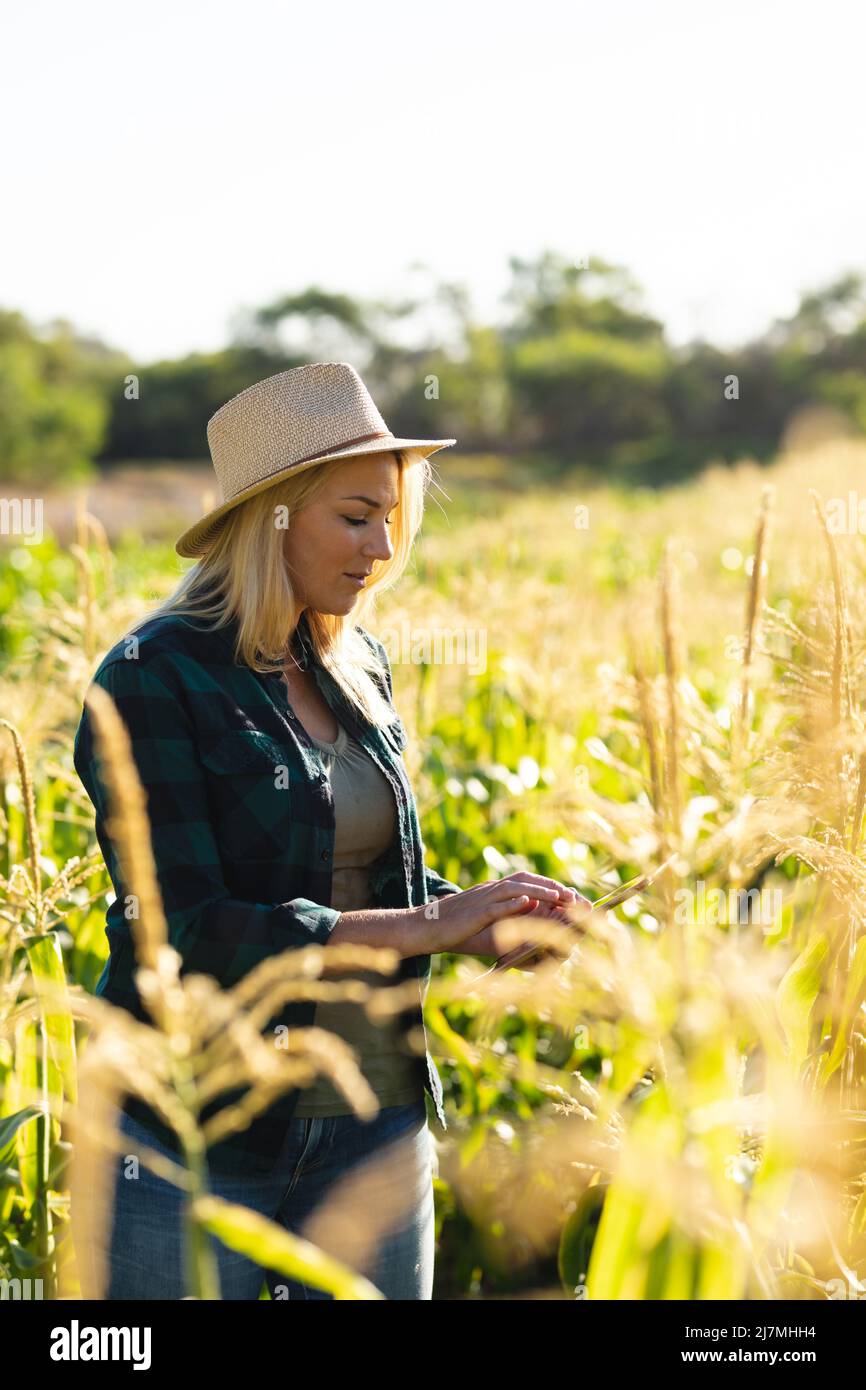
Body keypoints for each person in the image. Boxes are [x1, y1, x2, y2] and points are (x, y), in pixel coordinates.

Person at [72, 361, 585, 1300]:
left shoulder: (358, 663)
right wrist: (423, 928)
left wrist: (480, 919)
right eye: (357, 516)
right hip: (195, 1138)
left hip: (374, 1126)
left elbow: (366, 883)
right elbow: (186, 928)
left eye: (391, 517)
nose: (382, 547)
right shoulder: (152, 677)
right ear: (270, 517)